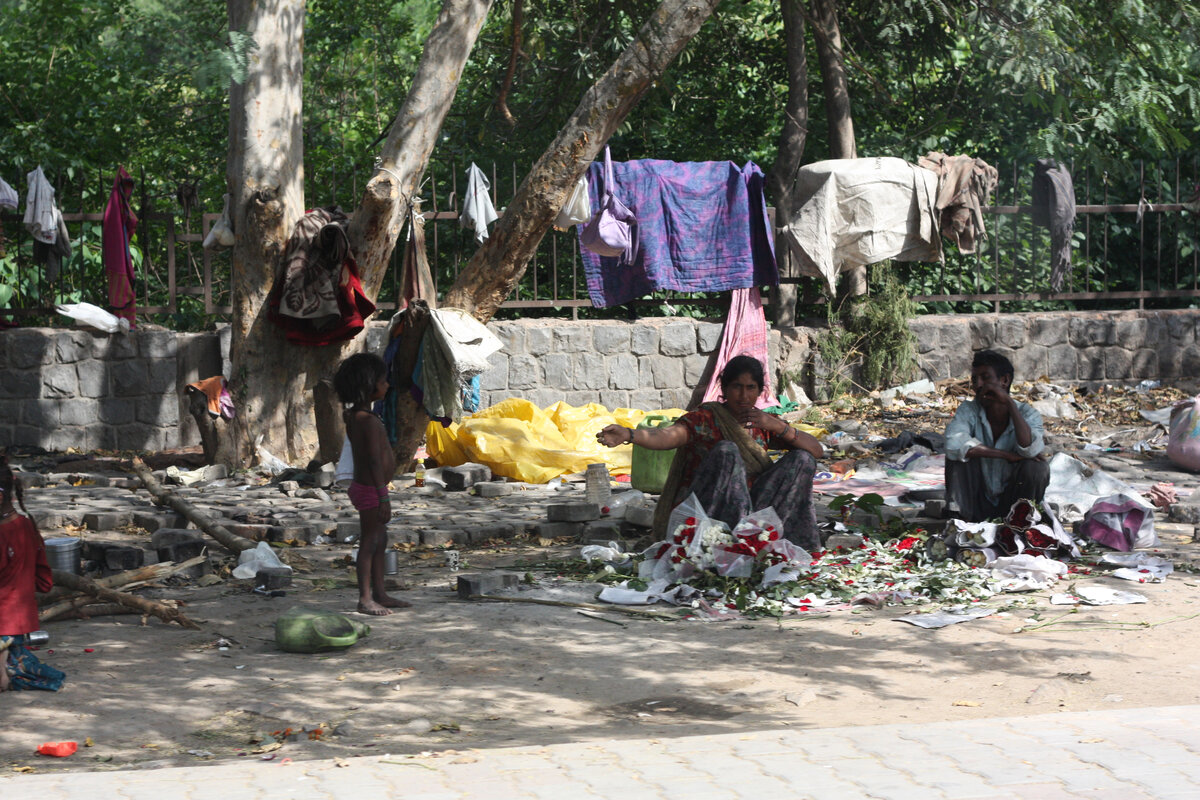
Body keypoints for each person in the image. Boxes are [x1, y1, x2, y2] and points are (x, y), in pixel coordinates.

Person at [596, 355, 825, 551]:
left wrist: (777, 427)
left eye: (750, 388)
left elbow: (816, 451)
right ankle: (731, 542)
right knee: (727, 451)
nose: (743, 396)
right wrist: (630, 434)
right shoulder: (706, 418)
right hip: (712, 509)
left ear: (759, 391)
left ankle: (785, 541)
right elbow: (669, 436)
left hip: (754, 508)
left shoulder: (762, 422)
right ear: (724, 389)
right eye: (737, 387)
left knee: (801, 459)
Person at [333, 353, 410, 616]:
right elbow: (375, 462)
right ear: (369, 385)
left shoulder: (356, 415)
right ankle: (365, 598)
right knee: (369, 541)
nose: (387, 385)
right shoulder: (366, 421)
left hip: (369, 488)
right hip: (370, 490)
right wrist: (383, 496)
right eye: (383, 381)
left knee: (380, 538)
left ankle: (380, 592)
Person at [944, 349, 1049, 522]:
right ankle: (959, 521)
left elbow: (1030, 450)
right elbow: (952, 444)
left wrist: (1008, 403)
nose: (978, 385)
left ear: (1005, 381)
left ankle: (1023, 522)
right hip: (977, 502)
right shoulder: (969, 410)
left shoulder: (1028, 414)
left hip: (1012, 503)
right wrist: (1006, 455)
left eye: (985, 378)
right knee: (958, 456)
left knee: (1037, 468)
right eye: (974, 380)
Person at [0, 454, 65, 692]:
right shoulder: (26, 524)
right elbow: (43, 579)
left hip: (3, 619)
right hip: (20, 618)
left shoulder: (3, 533)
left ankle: (5, 674)